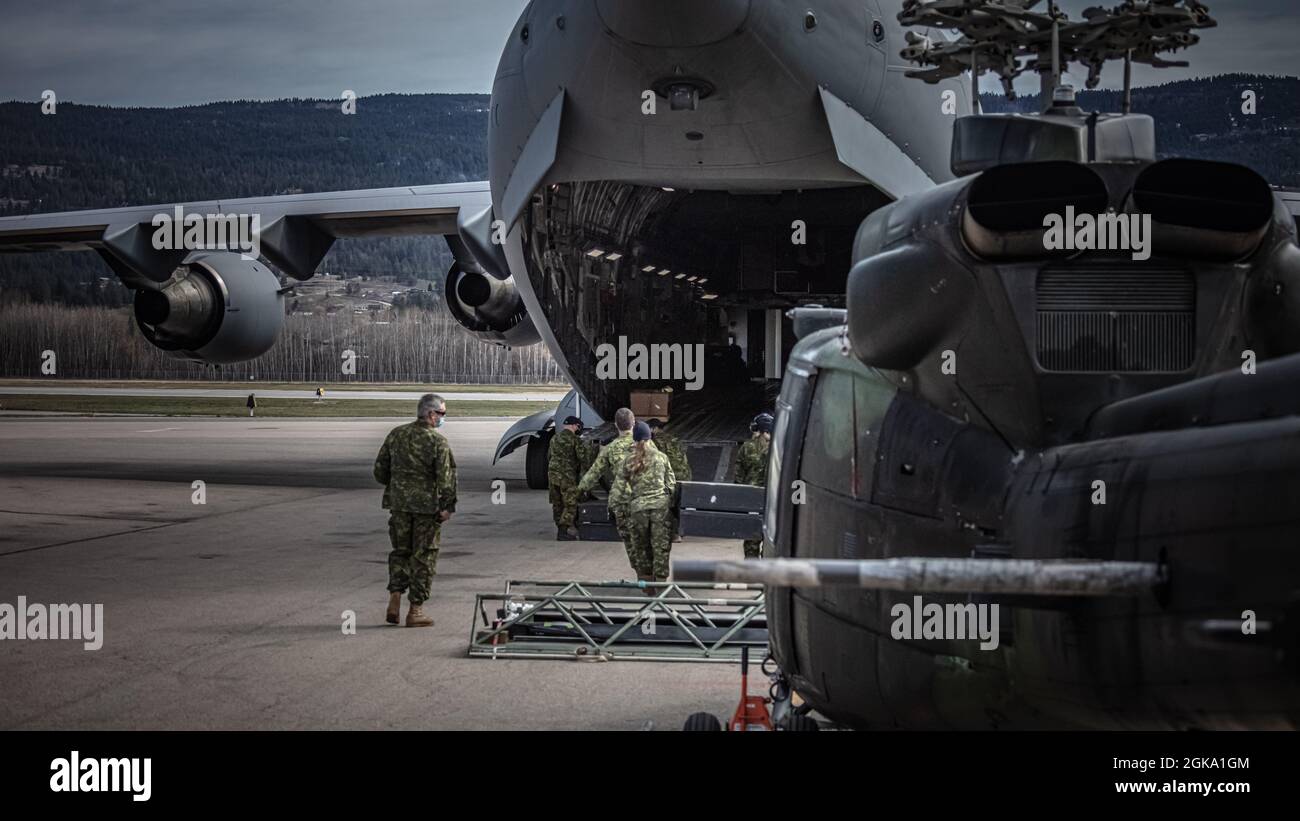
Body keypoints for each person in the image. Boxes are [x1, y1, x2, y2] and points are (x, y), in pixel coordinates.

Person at [372, 393, 458, 627]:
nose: (443, 418)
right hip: (426, 509)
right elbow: (446, 478)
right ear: (431, 414)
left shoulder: (396, 435)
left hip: (398, 506)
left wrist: (399, 485)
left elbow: (379, 472)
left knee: (400, 552)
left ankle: (395, 597)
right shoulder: (437, 442)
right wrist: (448, 506)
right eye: (442, 414)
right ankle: (416, 610)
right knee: (424, 557)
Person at [609, 421, 677, 584]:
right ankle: (660, 583)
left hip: (638, 510)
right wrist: (671, 504)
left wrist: (615, 508)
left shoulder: (629, 460)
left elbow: (618, 488)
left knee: (641, 547)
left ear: (634, 437)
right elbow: (672, 484)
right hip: (660, 509)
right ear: (649, 437)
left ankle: (645, 583)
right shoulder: (661, 457)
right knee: (660, 547)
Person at [576, 407, 637, 538]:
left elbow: (593, 474)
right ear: (634, 423)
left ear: (616, 425)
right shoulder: (647, 445)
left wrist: (579, 491)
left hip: (623, 499)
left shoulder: (610, 449)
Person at [734, 412, 773, 559]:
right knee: (770, 538)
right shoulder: (779, 448)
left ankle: (751, 576)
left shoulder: (747, 447)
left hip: (750, 499)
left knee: (751, 540)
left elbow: (738, 474)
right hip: (771, 500)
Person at [646, 418, 689, 542]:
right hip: (684, 475)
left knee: (667, 505)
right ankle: (680, 532)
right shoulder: (674, 439)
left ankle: (673, 535)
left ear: (654, 428)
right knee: (679, 504)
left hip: (670, 476)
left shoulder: (654, 441)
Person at [548, 415, 585, 540]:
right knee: (570, 503)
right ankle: (563, 531)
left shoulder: (554, 438)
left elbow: (549, 456)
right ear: (574, 425)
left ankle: (560, 528)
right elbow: (583, 458)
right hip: (566, 476)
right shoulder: (575, 440)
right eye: (578, 426)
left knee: (557, 503)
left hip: (553, 475)